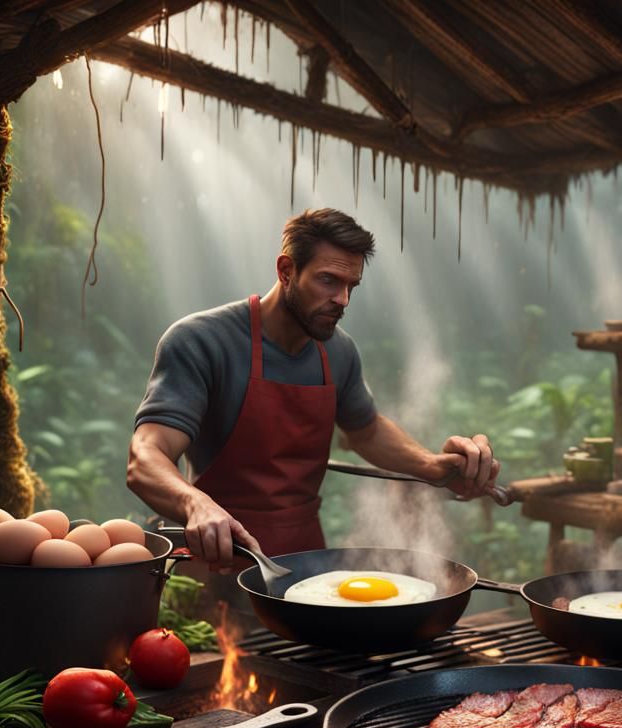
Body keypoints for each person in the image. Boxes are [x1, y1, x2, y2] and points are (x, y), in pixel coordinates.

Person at [128, 208, 501, 566]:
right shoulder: (202, 340)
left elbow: (366, 430)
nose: (342, 300)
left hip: (305, 566)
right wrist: (196, 504)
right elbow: (146, 456)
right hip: (219, 559)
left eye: (351, 285)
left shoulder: (339, 351)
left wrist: (432, 466)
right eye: (328, 280)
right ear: (287, 270)